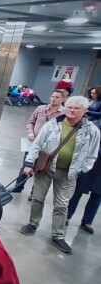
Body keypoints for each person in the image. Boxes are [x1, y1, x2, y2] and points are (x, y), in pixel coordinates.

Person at [19, 96, 100, 254]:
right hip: (45, 168)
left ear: (85, 111)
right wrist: (29, 163)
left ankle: (57, 234)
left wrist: (83, 169)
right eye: (69, 107)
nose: (71, 110)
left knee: (62, 205)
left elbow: (92, 154)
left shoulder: (92, 131)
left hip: (69, 173)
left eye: (76, 108)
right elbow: (37, 145)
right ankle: (33, 223)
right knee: (37, 198)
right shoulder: (52, 125)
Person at [10, 89, 66, 193]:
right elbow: (31, 122)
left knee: (41, 169)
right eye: (52, 96)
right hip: (33, 143)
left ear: (63, 99)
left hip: (49, 146)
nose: (53, 99)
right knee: (26, 165)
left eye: (57, 97)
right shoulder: (41, 109)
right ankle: (18, 187)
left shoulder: (64, 114)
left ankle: (34, 192)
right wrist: (30, 132)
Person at [67, 126, 100, 234]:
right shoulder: (97, 127)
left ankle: (87, 221)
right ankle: (67, 216)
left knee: (97, 196)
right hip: (92, 163)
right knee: (77, 191)